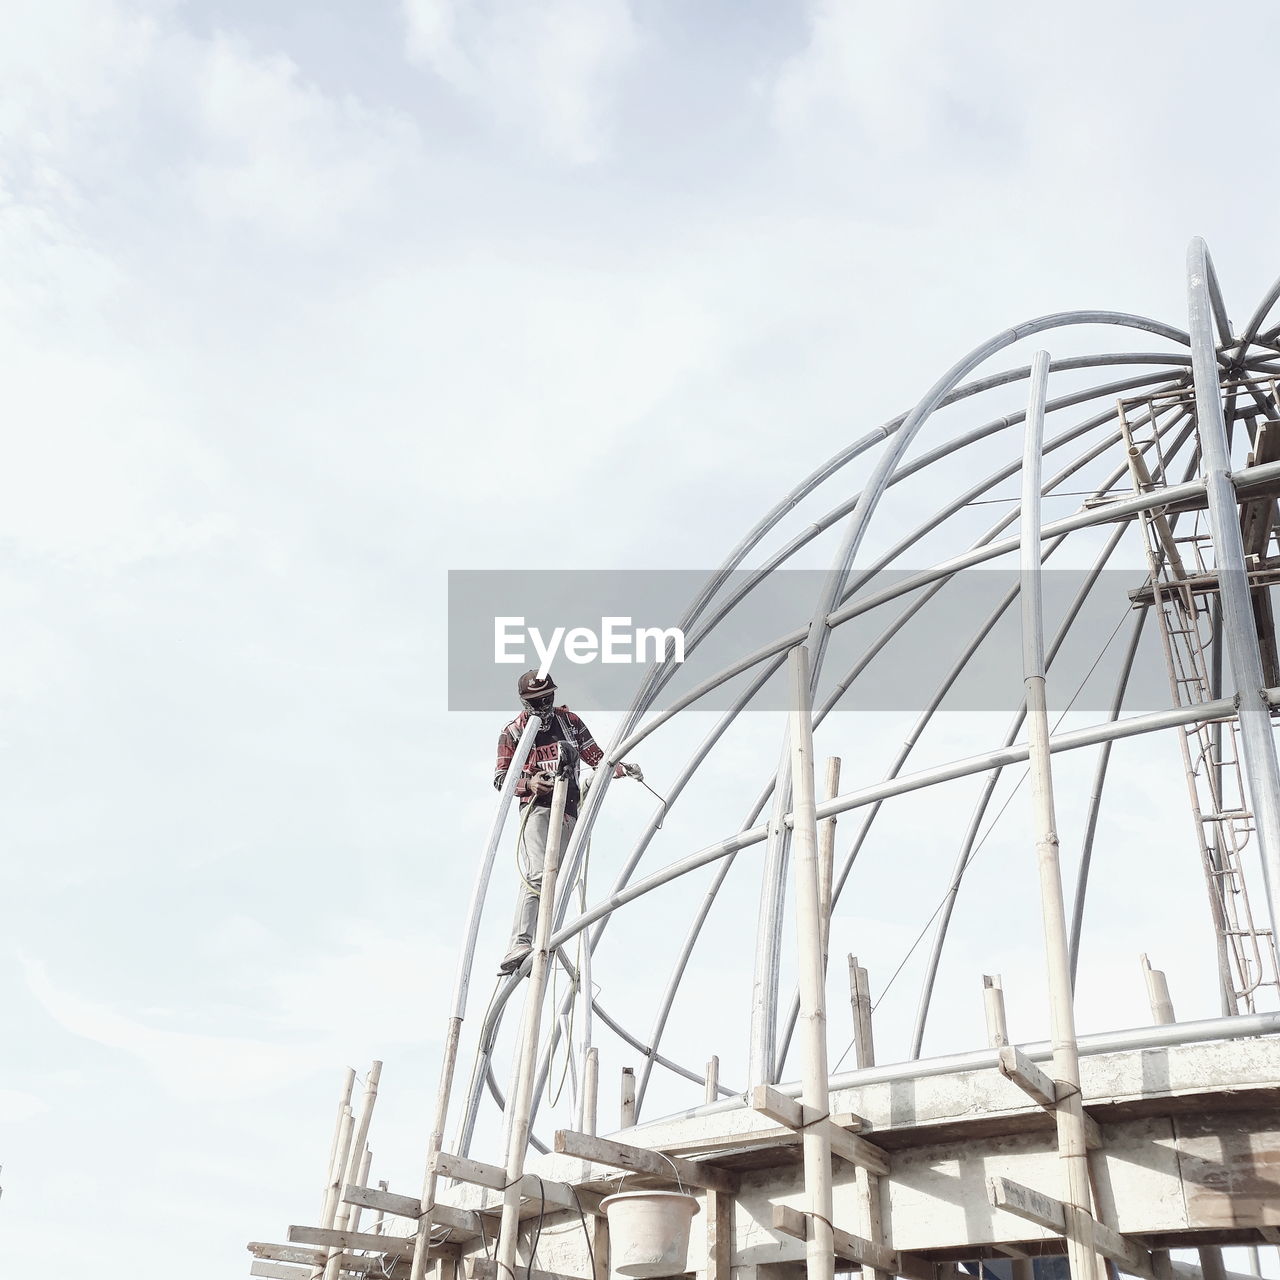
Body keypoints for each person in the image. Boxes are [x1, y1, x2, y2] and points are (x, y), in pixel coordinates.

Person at [493, 670, 641, 975]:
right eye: (537, 700)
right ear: (524, 701)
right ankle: (520, 941)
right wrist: (530, 783)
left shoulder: (569, 722)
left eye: (548, 697)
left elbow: (597, 759)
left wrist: (622, 768)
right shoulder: (514, 733)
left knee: (559, 878)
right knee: (537, 874)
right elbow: (501, 778)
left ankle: (546, 939)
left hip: (569, 808)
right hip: (537, 809)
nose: (545, 704)